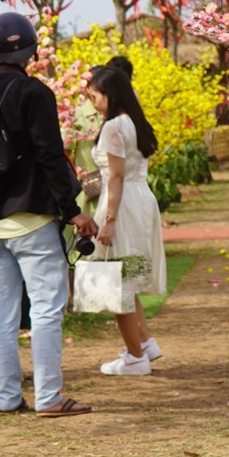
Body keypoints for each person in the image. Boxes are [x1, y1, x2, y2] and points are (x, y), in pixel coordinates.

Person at [0, 11, 96, 418]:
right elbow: (50, 156)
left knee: (1, 313)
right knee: (46, 308)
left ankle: (7, 399)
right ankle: (50, 397)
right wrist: (73, 210)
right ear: (31, 50)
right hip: (32, 219)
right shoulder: (36, 93)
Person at [85, 65, 167, 376]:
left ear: (110, 94)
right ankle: (143, 342)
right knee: (125, 277)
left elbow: (116, 177)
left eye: (95, 97)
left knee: (113, 280)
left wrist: (108, 220)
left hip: (121, 202)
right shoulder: (133, 122)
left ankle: (135, 357)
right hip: (139, 199)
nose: (94, 103)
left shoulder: (113, 127)